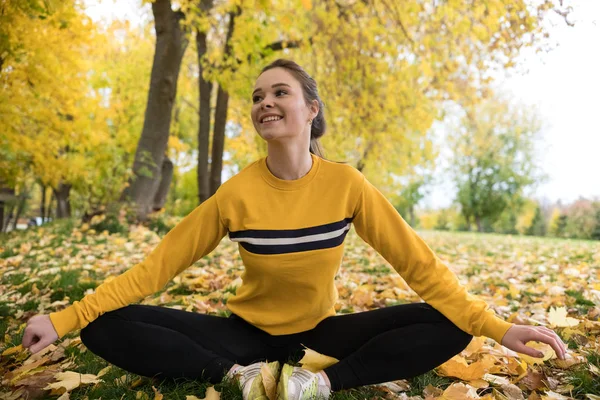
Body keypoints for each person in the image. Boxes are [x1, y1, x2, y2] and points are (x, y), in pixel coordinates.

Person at [22, 59, 567, 400]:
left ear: (311, 109)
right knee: (103, 326)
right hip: (243, 337)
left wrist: (496, 328)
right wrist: (67, 317)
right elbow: (155, 268)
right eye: (258, 97)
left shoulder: (347, 184)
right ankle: (239, 378)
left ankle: (322, 385)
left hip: (321, 337)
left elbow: (418, 265)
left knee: (448, 323)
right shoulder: (236, 193)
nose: (265, 103)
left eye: (279, 92)